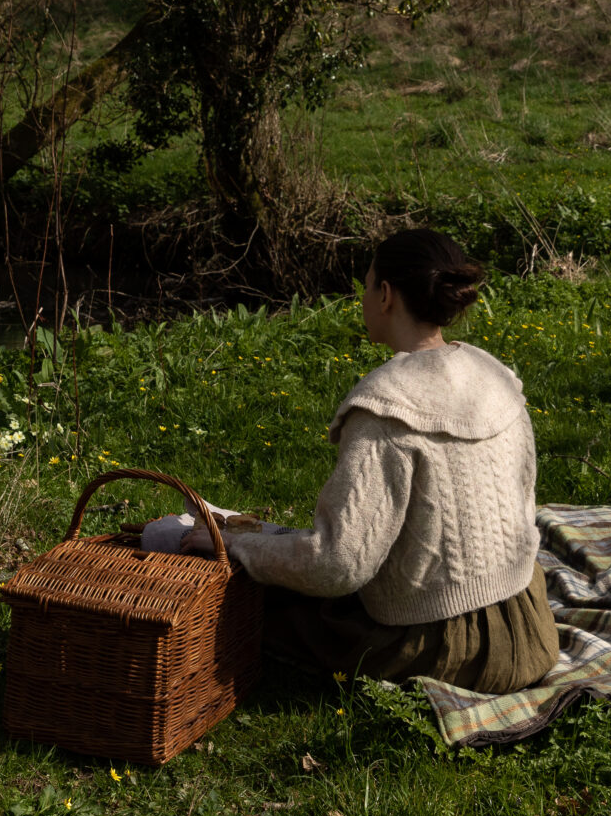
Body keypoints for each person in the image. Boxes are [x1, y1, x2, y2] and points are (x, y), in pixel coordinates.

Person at [223, 228, 560, 693]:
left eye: (366, 285)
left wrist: (236, 546)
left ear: (385, 295)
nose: (363, 298)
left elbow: (337, 565)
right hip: (530, 626)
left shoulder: (385, 408)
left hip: (444, 651)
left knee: (257, 609)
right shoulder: (495, 377)